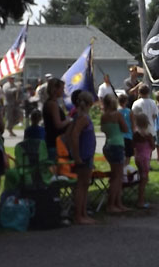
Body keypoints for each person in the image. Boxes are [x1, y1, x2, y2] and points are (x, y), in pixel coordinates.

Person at [70, 91, 97, 225]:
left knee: (85, 184)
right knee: (81, 185)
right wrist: (77, 156)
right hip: (83, 155)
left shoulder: (83, 116)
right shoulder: (82, 118)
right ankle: (78, 215)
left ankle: (84, 213)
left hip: (88, 154)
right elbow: (74, 136)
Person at [101, 93, 130, 213]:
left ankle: (118, 203)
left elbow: (103, 129)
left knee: (116, 176)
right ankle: (112, 204)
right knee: (117, 178)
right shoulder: (117, 114)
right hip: (117, 145)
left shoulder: (103, 116)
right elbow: (125, 129)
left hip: (107, 145)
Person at [42, 78, 70, 162]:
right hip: (55, 142)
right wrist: (69, 120)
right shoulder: (53, 104)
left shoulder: (50, 103)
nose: (63, 91)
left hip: (51, 141)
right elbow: (58, 124)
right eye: (61, 88)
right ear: (55, 89)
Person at [133, 112, 155, 209]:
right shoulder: (148, 135)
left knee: (141, 178)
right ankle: (141, 201)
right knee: (144, 180)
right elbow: (153, 147)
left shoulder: (136, 135)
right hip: (145, 159)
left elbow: (132, 145)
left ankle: (140, 199)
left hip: (138, 157)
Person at [117, 93, 134, 166]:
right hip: (128, 135)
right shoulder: (129, 111)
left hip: (118, 135)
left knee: (120, 154)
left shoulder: (116, 111)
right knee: (128, 155)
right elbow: (133, 123)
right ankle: (126, 167)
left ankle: (121, 167)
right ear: (126, 101)